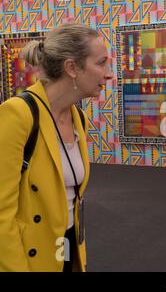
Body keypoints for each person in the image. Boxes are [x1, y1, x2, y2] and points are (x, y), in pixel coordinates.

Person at [0, 22, 114, 271]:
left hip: (66, 245)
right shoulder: (18, 114)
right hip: (28, 259)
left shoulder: (78, 119)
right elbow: (1, 214)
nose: (109, 74)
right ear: (72, 68)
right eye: (101, 62)